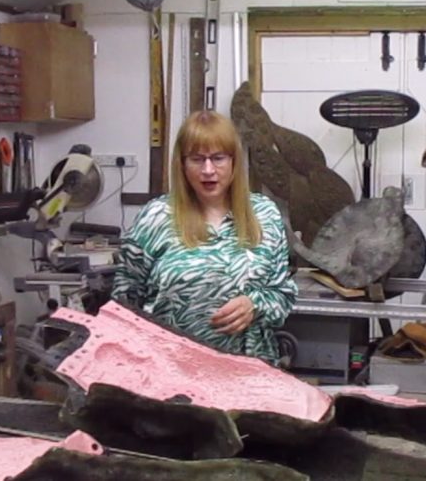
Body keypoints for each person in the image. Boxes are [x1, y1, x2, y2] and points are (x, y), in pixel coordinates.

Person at [111, 110, 297, 364]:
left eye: (218, 158)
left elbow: (282, 294)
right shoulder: (155, 218)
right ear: (182, 164)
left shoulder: (264, 215)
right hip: (170, 371)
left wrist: (254, 305)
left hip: (249, 371)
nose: (208, 170)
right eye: (197, 159)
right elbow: (124, 304)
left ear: (234, 161)